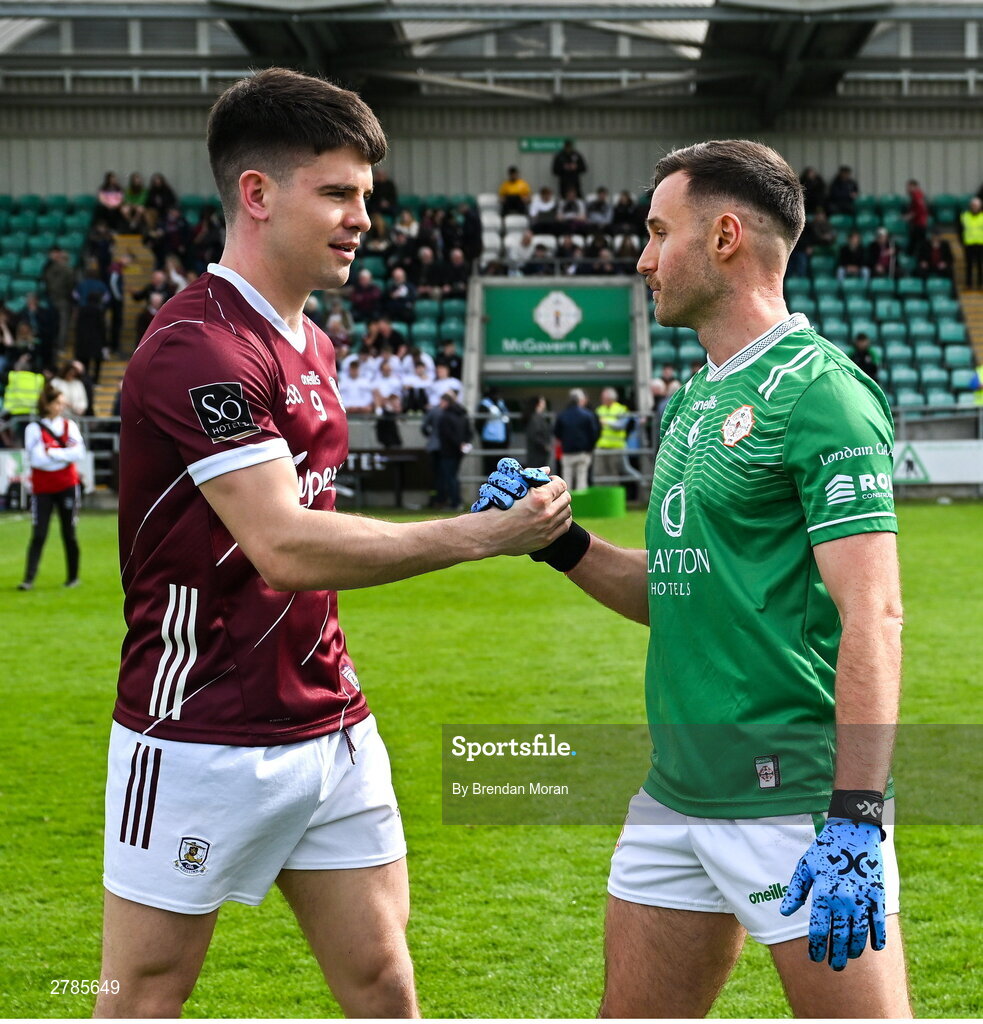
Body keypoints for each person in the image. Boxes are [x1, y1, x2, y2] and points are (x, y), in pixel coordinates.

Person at [94, 66, 571, 1019]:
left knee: (385, 985)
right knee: (139, 995)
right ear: (258, 194)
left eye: (366, 194)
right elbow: (285, 547)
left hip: (334, 725)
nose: (363, 216)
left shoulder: (310, 340)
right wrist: (482, 535)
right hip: (196, 734)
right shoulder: (199, 345)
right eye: (339, 193)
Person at [510, 140, 910, 1019]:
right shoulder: (696, 398)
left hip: (794, 801)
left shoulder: (821, 394)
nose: (643, 259)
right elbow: (682, 589)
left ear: (725, 235)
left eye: (658, 233)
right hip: (673, 793)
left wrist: (854, 816)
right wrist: (558, 540)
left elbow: (872, 616)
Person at [18, 384, 85, 590]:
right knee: (39, 533)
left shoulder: (69, 425)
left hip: (66, 485)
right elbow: (36, 459)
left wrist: (53, 453)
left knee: (69, 533)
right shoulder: (33, 429)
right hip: (42, 488)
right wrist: (63, 456)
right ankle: (28, 579)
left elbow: (78, 452)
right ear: (46, 404)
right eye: (57, 402)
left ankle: (73, 577)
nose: (61, 406)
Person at [553, 388, 598, 491]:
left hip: (567, 451)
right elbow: (593, 433)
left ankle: (565, 504)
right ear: (580, 400)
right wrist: (590, 448)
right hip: (583, 452)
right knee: (582, 480)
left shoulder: (562, 415)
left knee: (566, 480)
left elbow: (556, 432)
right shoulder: (587, 415)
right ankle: (582, 504)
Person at [593, 386, 630, 484]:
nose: (602, 400)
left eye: (604, 398)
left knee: (613, 473)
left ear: (610, 398)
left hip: (616, 447)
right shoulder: (599, 409)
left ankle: (613, 496)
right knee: (599, 472)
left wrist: (606, 422)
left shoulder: (621, 409)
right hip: (601, 446)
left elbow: (621, 425)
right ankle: (601, 495)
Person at [478, 387, 511, 474]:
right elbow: (479, 423)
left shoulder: (501, 404)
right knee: (490, 466)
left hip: (502, 440)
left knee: (501, 466)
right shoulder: (485, 404)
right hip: (489, 440)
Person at [960, 195, 983, 289]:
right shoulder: (964, 216)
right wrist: (962, 241)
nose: (974, 207)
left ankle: (980, 283)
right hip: (968, 243)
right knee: (969, 265)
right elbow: (960, 230)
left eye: (976, 205)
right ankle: (968, 284)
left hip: (981, 243)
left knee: (979, 265)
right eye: (973, 205)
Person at [523, 395, 552, 468]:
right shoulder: (535, 418)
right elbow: (535, 435)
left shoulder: (538, 417)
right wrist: (545, 445)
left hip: (540, 453)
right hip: (536, 453)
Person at [903, 179, 929, 255]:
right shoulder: (918, 195)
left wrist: (909, 216)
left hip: (919, 224)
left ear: (913, 186)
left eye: (908, 187)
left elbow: (920, 209)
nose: (907, 189)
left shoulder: (917, 195)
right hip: (919, 223)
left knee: (917, 244)